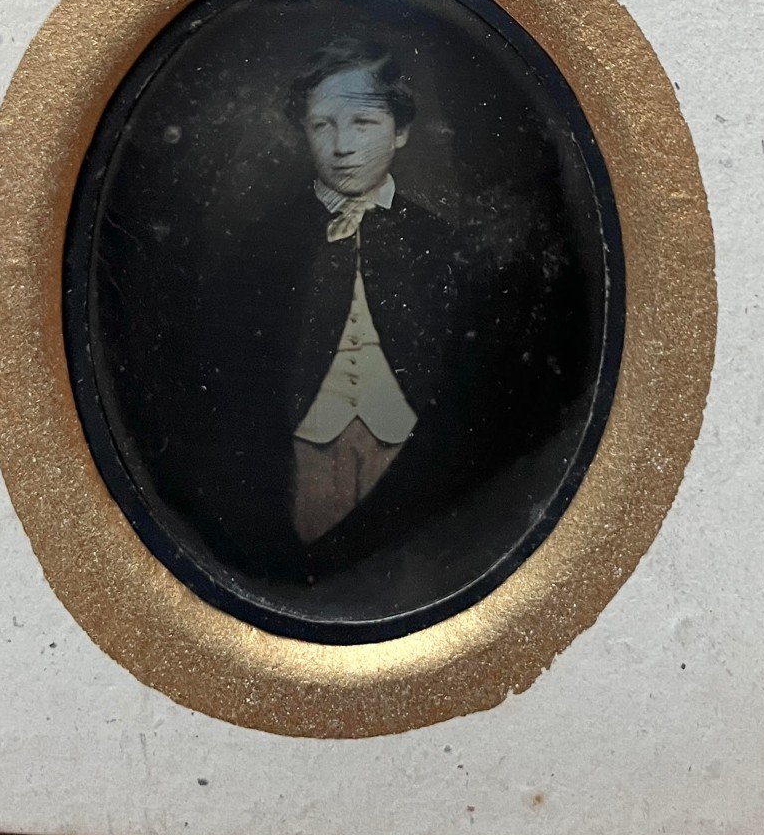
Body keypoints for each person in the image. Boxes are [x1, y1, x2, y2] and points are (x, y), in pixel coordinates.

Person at [163, 39, 561, 580]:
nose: (343, 146)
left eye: (364, 123)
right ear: (302, 130)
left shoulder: (440, 245)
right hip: (304, 456)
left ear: (400, 132)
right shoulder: (263, 249)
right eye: (323, 125)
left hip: (410, 460)